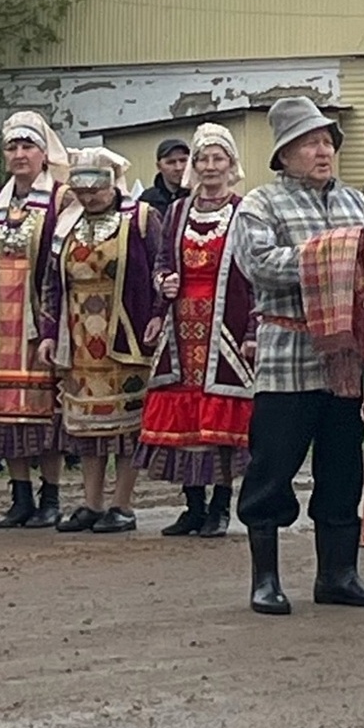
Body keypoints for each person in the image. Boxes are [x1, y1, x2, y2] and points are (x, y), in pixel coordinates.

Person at [233, 95, 364, 615]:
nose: (323, 151)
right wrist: (336, 256)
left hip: (345, 362)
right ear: (284, 154)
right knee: (272, 469)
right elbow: (259, 265)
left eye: (327, 141)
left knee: (343, 468)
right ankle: (265, 579)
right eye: (310, 143)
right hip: (287, 359)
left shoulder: (357, 203)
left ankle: (339, 575)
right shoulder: (261, 204)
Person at [138, 122, 256, 538]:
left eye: (216, 158)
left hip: (224, 326)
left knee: (218, 418)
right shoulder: (176, 212)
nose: (208, 166)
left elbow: (256, 275)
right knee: (186, 417)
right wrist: (163, 283)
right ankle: (192, 506)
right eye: (201, 158)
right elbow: (162, 263)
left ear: (230, 164)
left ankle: (221, 507)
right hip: (182, 325)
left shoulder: (245, 211)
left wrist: (253, 329)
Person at [39, 148, 161, 532]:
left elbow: (160, 273)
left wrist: (157, 318)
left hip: (125, 334)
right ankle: (91, 502)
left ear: (114, 183)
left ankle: (122, 504)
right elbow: (51, 283)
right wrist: (47, 333)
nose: (89, 196)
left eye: (97, 187)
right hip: (77, 336)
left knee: (126, 424)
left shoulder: (141, 219)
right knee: (87, 425)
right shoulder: (65, 225)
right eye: (81, 187)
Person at [0, 110, 71, 528]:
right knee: (4, 412)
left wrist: (54, 321)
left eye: (28, 146)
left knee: (44, 412)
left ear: (44, 153)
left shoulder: (60, 198)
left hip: (38, 319)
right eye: (13, 147)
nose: (20, 154)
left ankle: (52, 495)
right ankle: (20, 494)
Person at [141, 138, 191, 218]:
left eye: (183, 160)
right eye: (171, 162)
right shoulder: (148, 200)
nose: (178, 167)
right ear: (159, 166)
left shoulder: (199, 195)